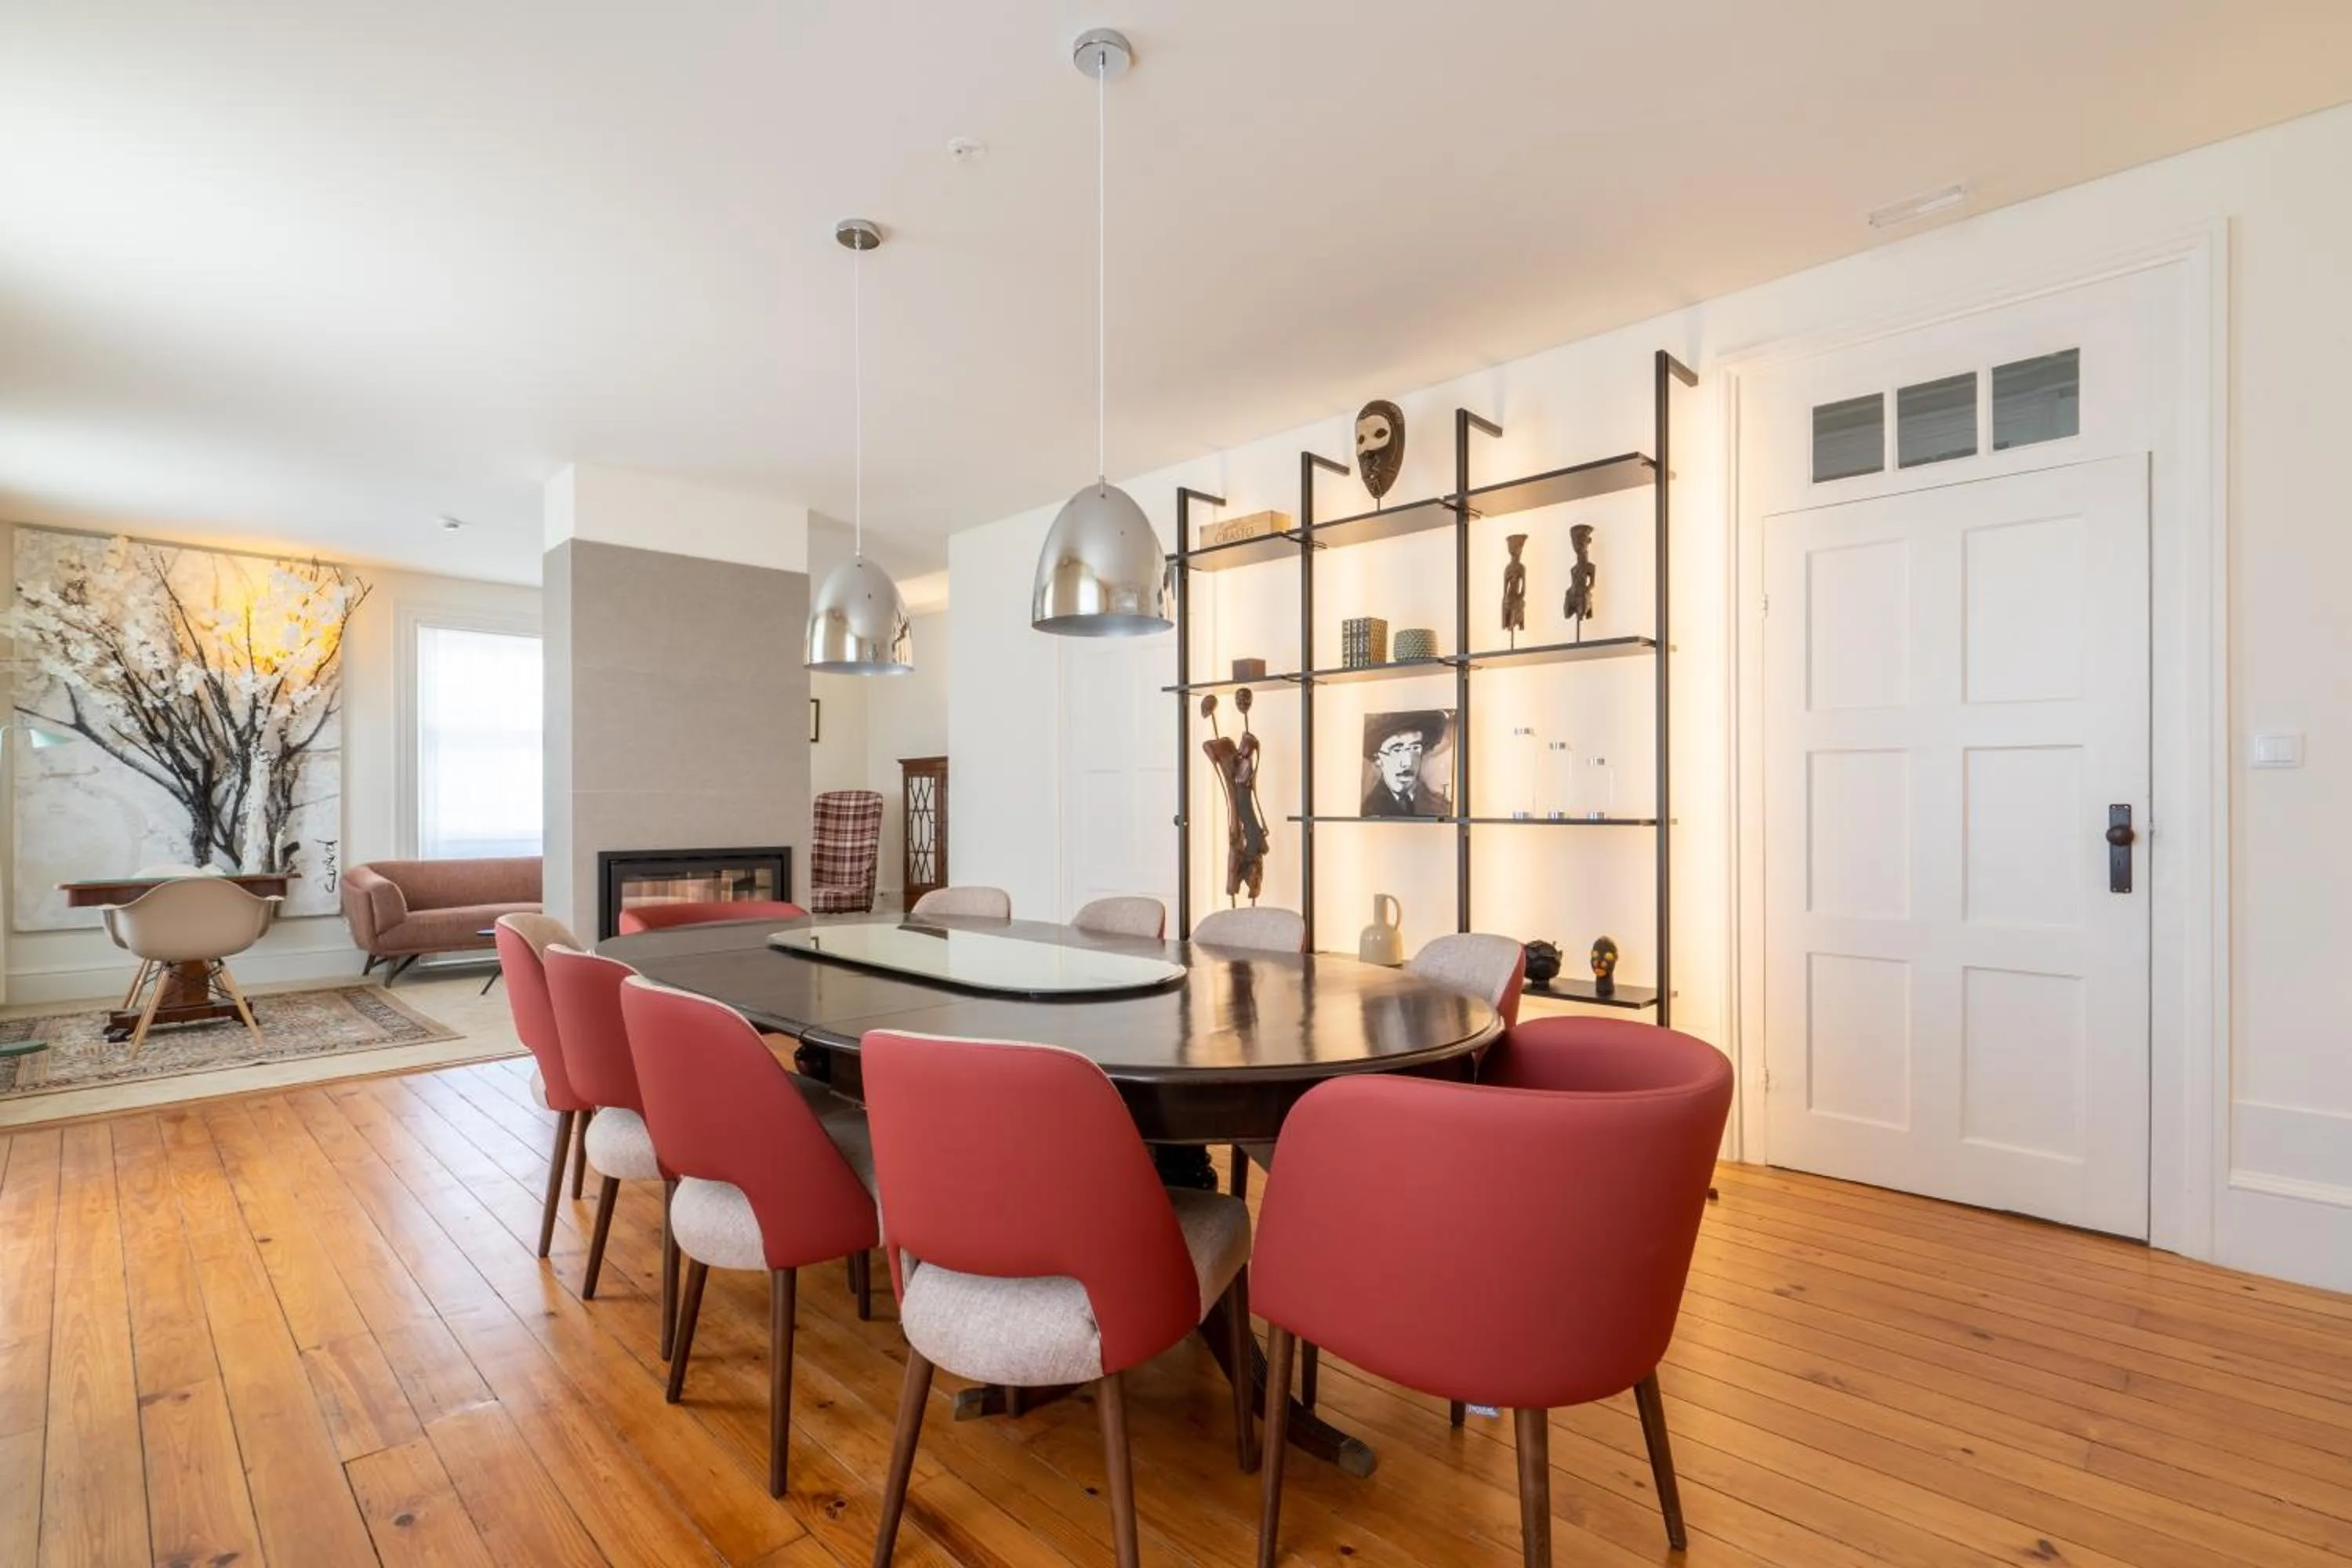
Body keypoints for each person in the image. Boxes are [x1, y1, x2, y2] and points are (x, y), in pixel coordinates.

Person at [1361, 710, 1454, 817]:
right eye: (1396, 750)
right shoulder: (1370, 810)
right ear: (1377, 758)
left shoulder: (1440, 806)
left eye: (1415, 748)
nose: (1407, 762)